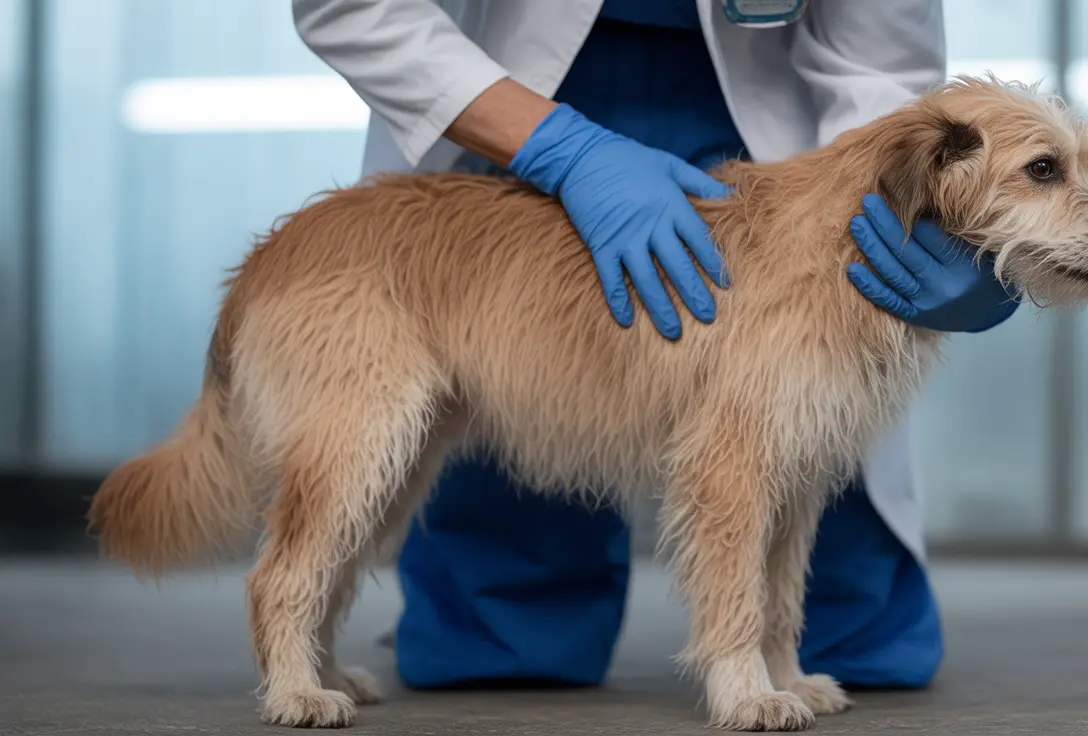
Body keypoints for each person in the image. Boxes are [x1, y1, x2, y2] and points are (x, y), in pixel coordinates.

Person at [292, 0, 1020, 693]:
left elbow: (885, 65)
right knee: (502, 642)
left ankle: (769, 643)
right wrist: (561, 148)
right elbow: (351, 8)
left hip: (773, 133)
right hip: (511, 107)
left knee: (859, 638)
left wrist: (924, 218)